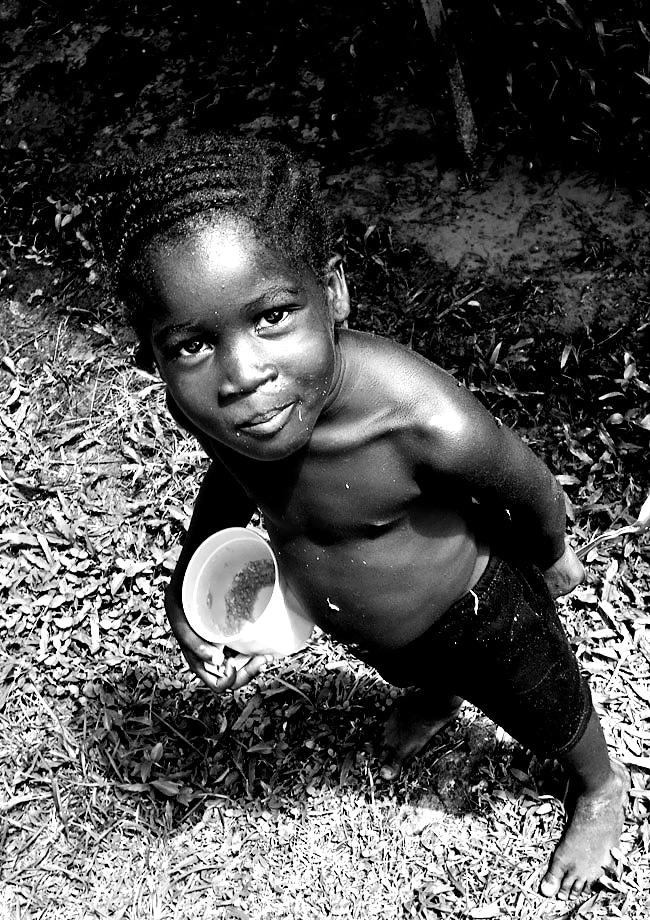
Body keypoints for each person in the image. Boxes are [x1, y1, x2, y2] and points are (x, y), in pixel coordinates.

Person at [90, 133, 628, 900]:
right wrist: (194, 590)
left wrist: (550, 556)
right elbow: (227, 482)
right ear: (154, 357)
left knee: (543, 703)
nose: (243, 375)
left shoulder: (416, 418)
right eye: (194, 344)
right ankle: (437, 694)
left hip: (478, 608)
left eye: (273, 316)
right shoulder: (224, 414)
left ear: (333, 294)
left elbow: (529, 484)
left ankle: (600, 785)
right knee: (410, 669)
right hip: (363, 622)